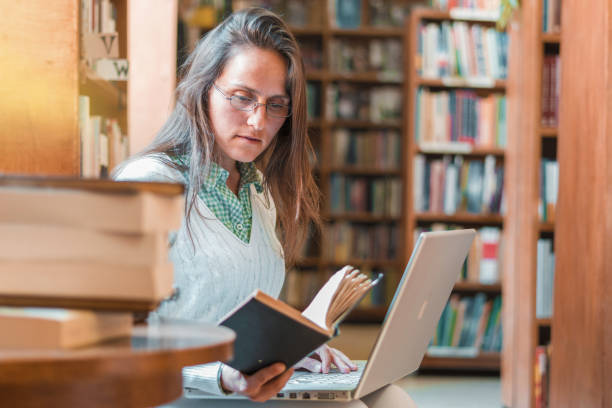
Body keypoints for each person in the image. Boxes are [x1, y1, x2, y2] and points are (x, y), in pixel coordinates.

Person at [113, 7, 357, 403]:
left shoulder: (256, 191)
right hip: (176, 397)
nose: (258, 122)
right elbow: (119, 339)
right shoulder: (148, 185)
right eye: (242, 98)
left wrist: (292, 351)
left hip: (243, 395)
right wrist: (218, 377)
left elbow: (245, 319)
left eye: (275, 105)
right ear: (202, 90)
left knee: (386, 396)